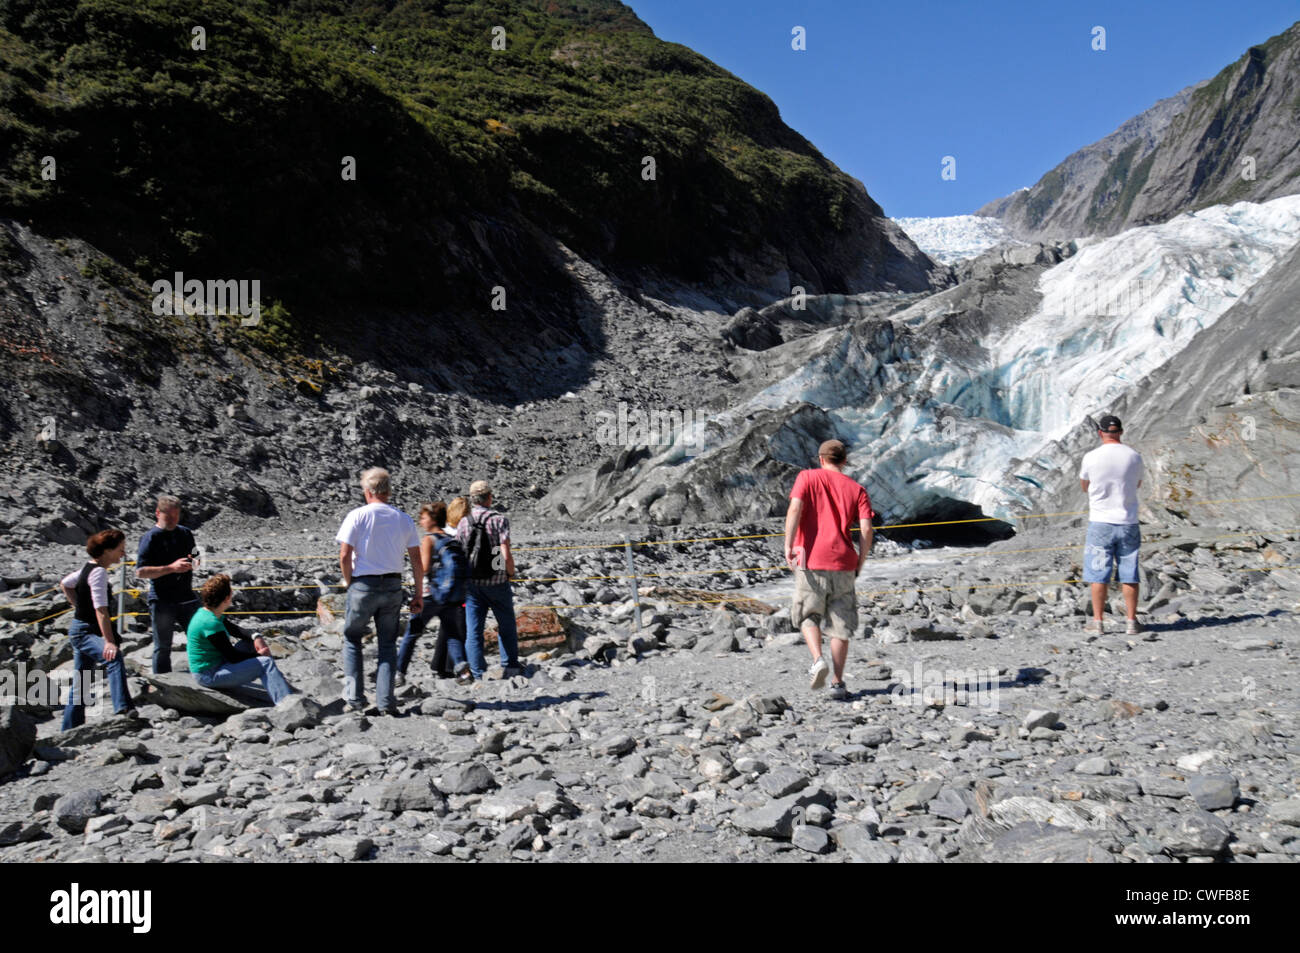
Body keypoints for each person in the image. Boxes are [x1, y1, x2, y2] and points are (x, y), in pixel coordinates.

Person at [783, 439, 874, 700]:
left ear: (820, 458)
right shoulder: (857, 489)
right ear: (844, 461)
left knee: (808, 615)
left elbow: (795, 509)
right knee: (840, 625)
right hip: (844, 562)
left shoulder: (807, 477)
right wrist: (861, 560)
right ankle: (837, 682)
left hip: (811, 560)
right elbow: (867, 529)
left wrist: (788, 546)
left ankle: (817, 660)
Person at [336, 467, 422, 714]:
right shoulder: (403, 518)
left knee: (353, 638)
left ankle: (355, 697)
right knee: (387, 644)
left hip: (363, 583)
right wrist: (418, 593)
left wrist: (348, 580)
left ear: (368, 491)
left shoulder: (357, 516)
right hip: (393, 585)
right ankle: (386, 702)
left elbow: (344, 555)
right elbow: (416, 560)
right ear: (388, 491)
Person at [59, 529, 137, 729]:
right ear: (107, 551)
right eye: (120, 549)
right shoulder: (99, 572)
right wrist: (109, 642)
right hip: (85, 631)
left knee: (81, 682)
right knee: (113, 657)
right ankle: (124, 709)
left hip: (80, 628)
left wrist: (78, 607)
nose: (123, 554)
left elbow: (65, 584)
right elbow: (101, 610)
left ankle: (69, 728)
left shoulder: (88, 568)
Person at [1079, 414, 1144, 635]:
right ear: (1121, 432)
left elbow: (1084, 485)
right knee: (1129, 572)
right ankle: (1131, 621)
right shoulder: (1134, 457)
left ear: (1100, 433)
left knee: (1098, 573)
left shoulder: (1091, 457)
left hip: (1100, 523)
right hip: (1128, 522)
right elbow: (1138, 483)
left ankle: (1098, 623)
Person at [186, 575, 294, 703]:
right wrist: (258, 655)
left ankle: (280, 684)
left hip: (216, 663)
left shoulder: (208, 612)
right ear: (227, 598)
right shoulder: (210, 623)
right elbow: (233, 656)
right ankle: (286, 703)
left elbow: (236, 630)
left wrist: (256, 637)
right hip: (208, 675)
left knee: (250, 642)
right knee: (265, 663)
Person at [396, 502, 471, 684]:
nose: (421, 520)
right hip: (451, 596)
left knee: (412, 633)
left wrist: (417, 592)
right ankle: (462, 669)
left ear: (432, 519)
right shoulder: (451, 539)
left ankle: (398, 672)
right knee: (452, 633)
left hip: (432, 595)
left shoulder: (429, 539)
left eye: (423, 517)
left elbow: (424, 568)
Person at [455, 480, 522, 679]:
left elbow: (458, 554)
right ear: (489, 497)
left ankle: (477, 672)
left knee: (474, 630)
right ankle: (509, 665)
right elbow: (505, 552)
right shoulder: (499, 519)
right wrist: (510, 572)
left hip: (473, 583)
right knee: (506, 624)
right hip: (497, 580)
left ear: (472, 499)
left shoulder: (463, 521)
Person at [135, 495, 200, 674]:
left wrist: (193, 562)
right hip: (162, 600)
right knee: (163, 646)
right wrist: (171, 568)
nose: (172, 520)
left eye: (176, 515)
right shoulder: (150, 538)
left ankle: (206, 674)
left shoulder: (185, 533)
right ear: (157, 513)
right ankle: (163, 684)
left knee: (199, 638)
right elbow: (140, 572)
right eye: (168, 516)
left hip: (187, 597)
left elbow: (197, 558)